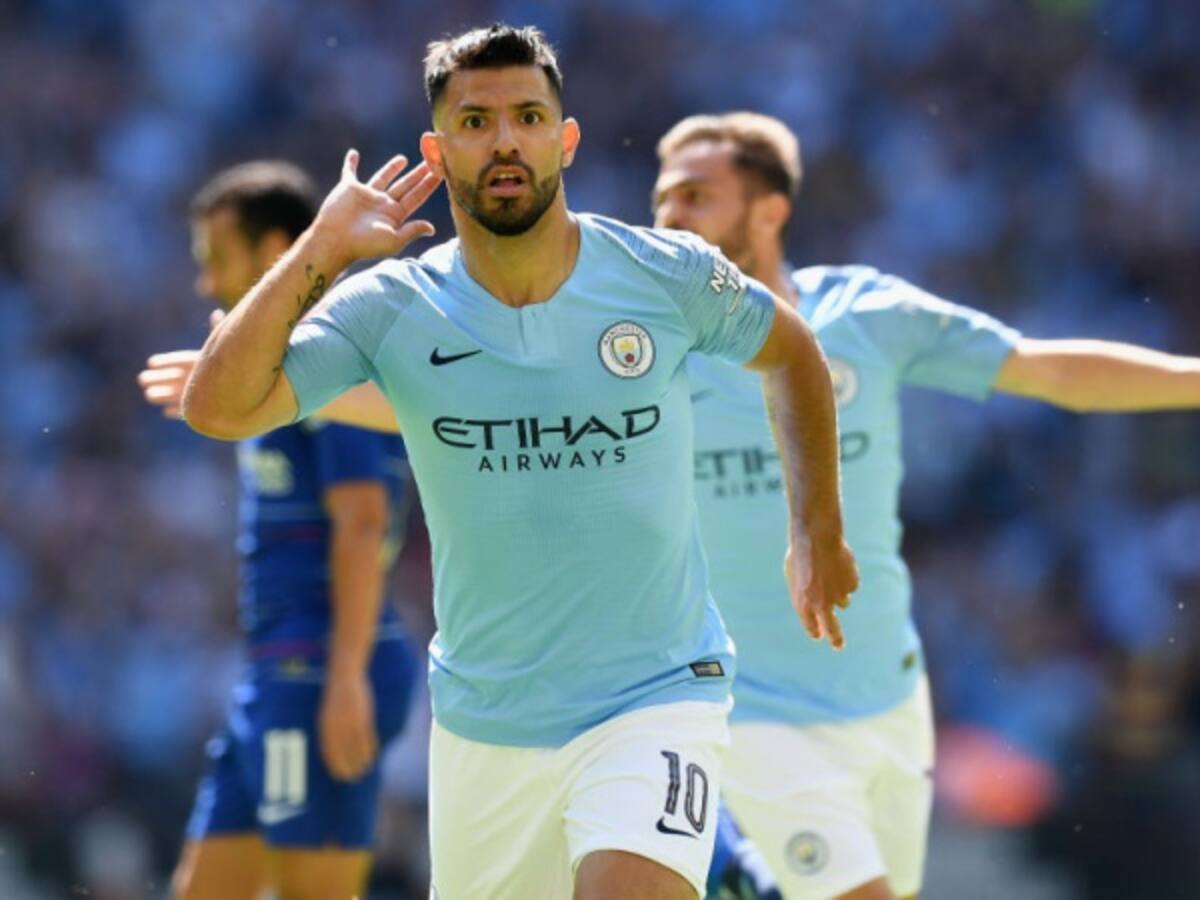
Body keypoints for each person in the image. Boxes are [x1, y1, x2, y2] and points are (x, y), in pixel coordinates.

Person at [181, 25, 858, 900]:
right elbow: (219, 408)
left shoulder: (662, 274)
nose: (505, 140)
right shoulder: (392, 305)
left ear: (563, 138)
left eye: (528, 116)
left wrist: (817, 528)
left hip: (655, 696)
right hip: (485, 723)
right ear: (437, 148)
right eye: (475, 121)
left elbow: (792, 351)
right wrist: (319, 251)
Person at [650, 111, 1200, 900]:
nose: (671, 215)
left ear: (769, 210)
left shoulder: (867, 316)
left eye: (698, 194)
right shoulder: (646, 351)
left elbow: (1051, 372)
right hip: (751, 713)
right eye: (663, 196)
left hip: (889, 699)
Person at [137, 160, 418, 900]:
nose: (204, 282)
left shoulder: (328, 355)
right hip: (273, 672)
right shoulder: (262, 372)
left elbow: (364, 521)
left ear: (273, 252)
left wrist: (346, 676)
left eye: (216, 259)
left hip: (322, 669)